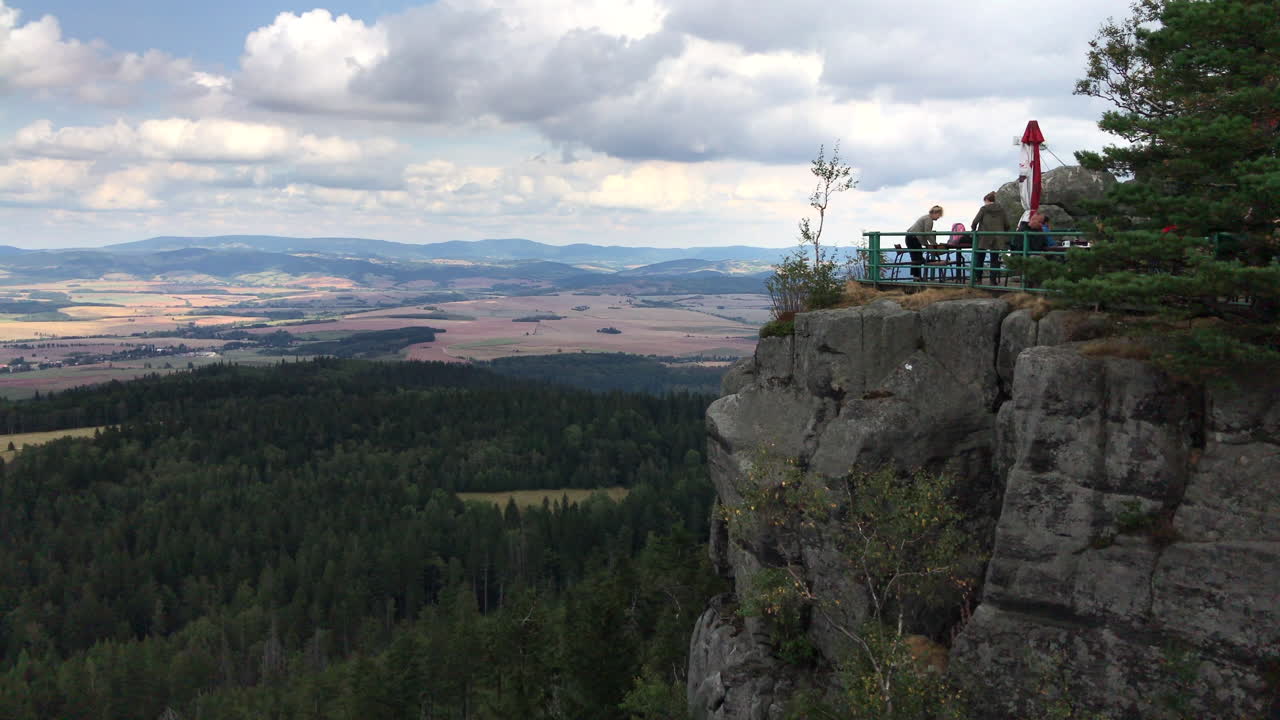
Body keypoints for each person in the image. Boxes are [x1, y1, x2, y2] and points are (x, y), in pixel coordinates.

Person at [970, 191, 1009, 285]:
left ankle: (978, 280)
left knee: (980, 258)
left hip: (984, 236)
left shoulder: (984, 209)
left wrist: (973, 230)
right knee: (994, 259)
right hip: (997, 237)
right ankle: (993, 280)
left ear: (987, 200)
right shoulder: (1001, 209)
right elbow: (1007, 225)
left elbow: (975, 221)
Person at [905, 205, 943, 280]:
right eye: (939, 215)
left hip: (911, 237)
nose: (939, 217)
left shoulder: (926, 217)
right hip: (913, 238)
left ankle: (916, 276)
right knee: (917, 258)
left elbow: (924, 233)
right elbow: (927, 233)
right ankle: (917, 277)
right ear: (935, 213)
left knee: (916, 257)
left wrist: (927, 244)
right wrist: (934, 244)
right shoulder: (929, 219)